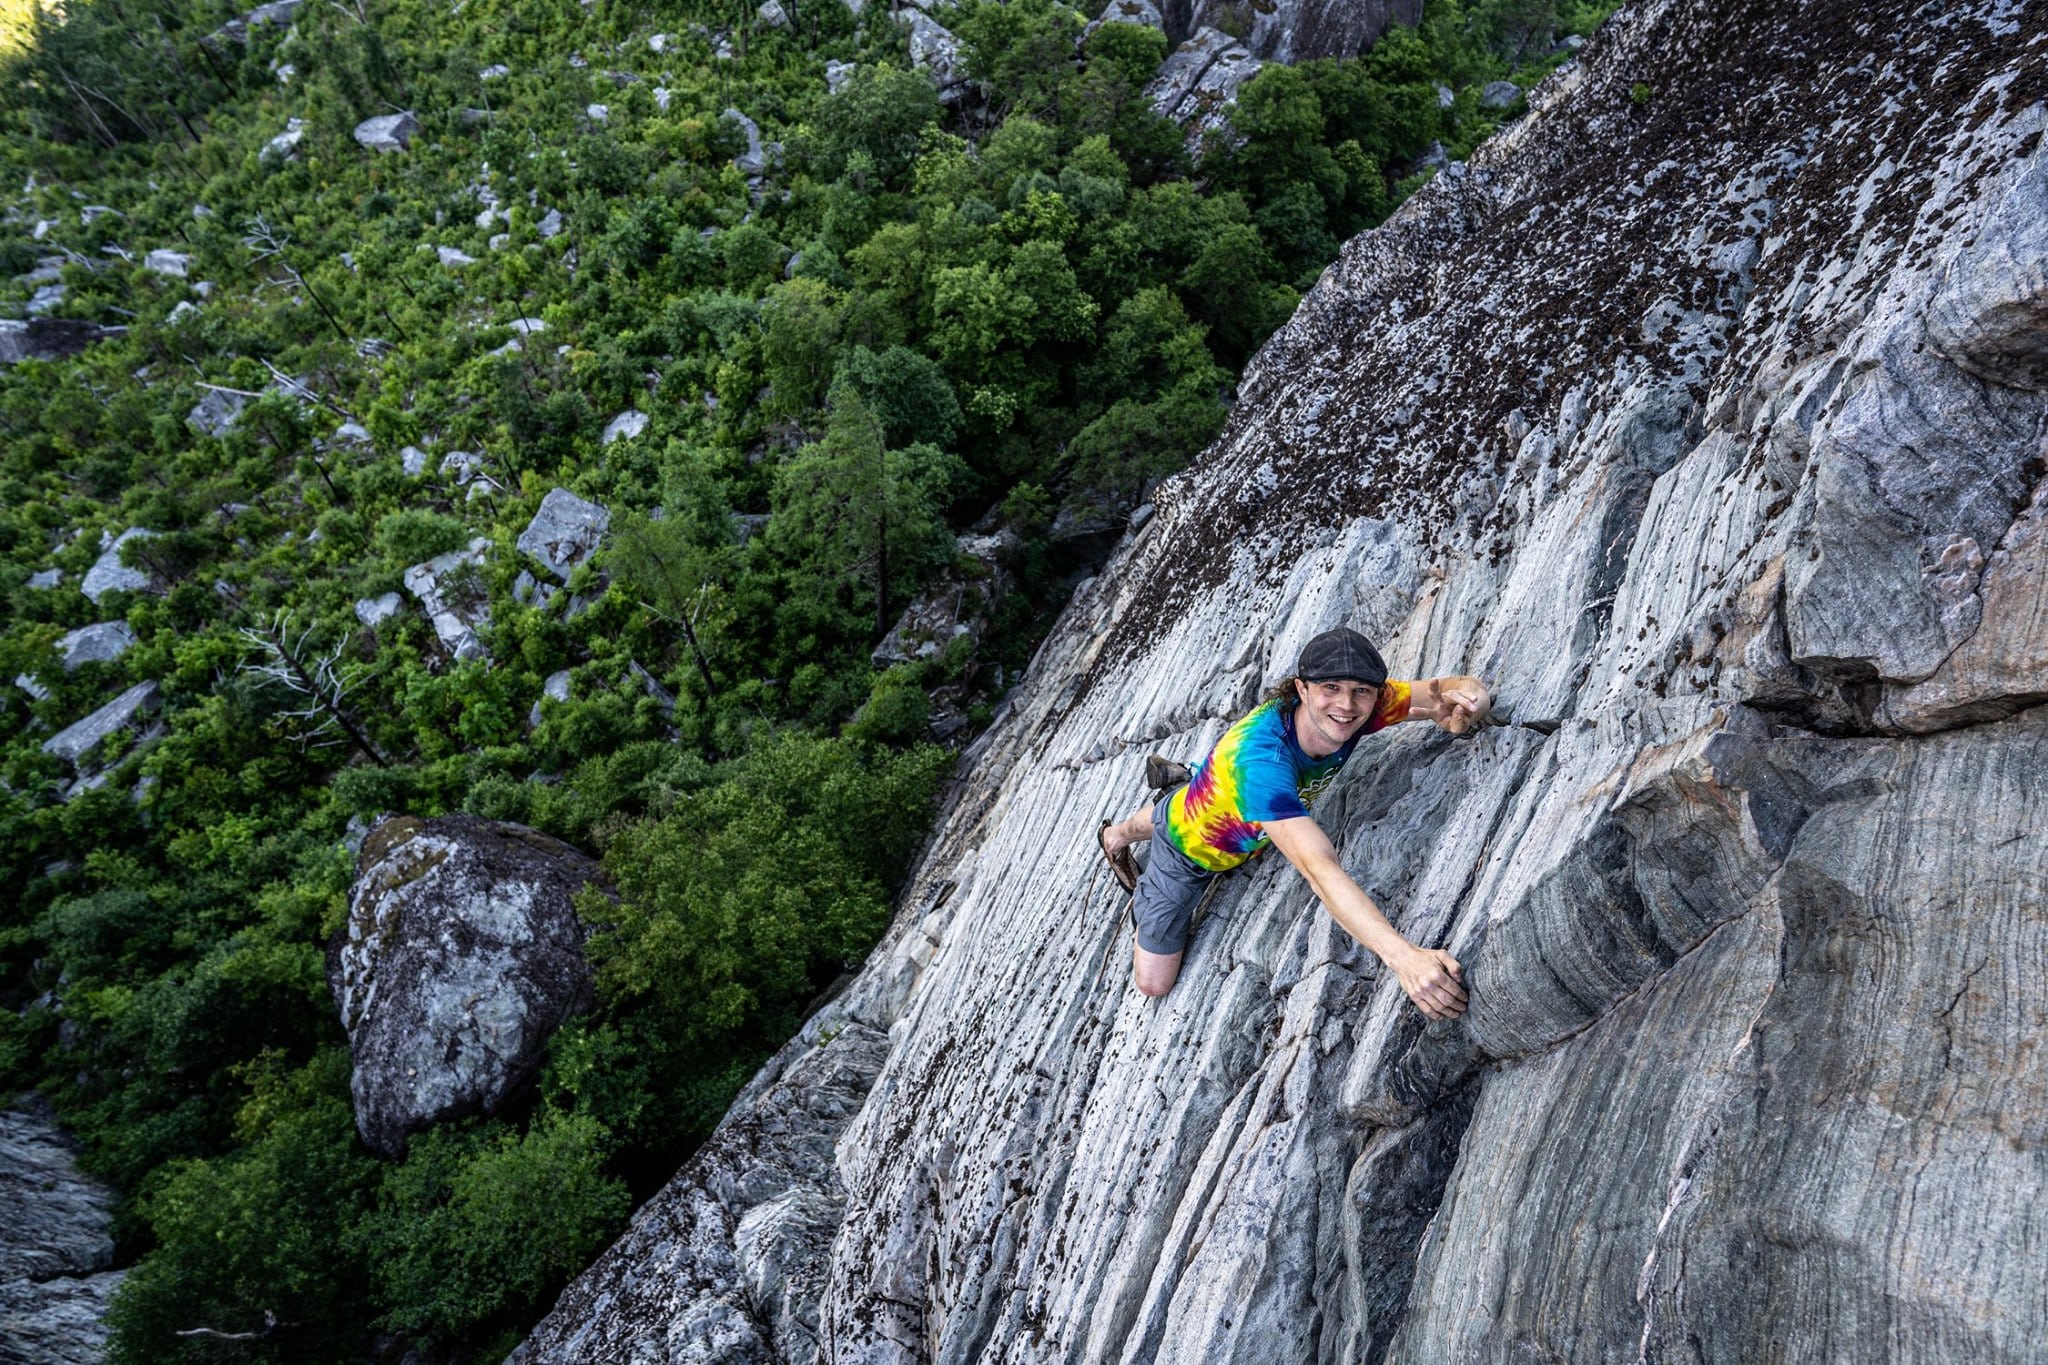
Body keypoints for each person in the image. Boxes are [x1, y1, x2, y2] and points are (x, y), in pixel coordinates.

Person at [1097, 627, 1489, 1019]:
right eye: (1331, 687)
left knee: (1193, 804)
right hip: (1189, 853)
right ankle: (1138, 863)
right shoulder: (1261, 763)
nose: (1346, 705)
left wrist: (1470, 708)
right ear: (1301, 689)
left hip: (1221, 808)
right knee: (1154, 981)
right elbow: (1319, 868)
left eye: (1360, 691)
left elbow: (1463, 686)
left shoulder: (1366, 705)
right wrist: (1403, 957)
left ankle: (1174, 794)